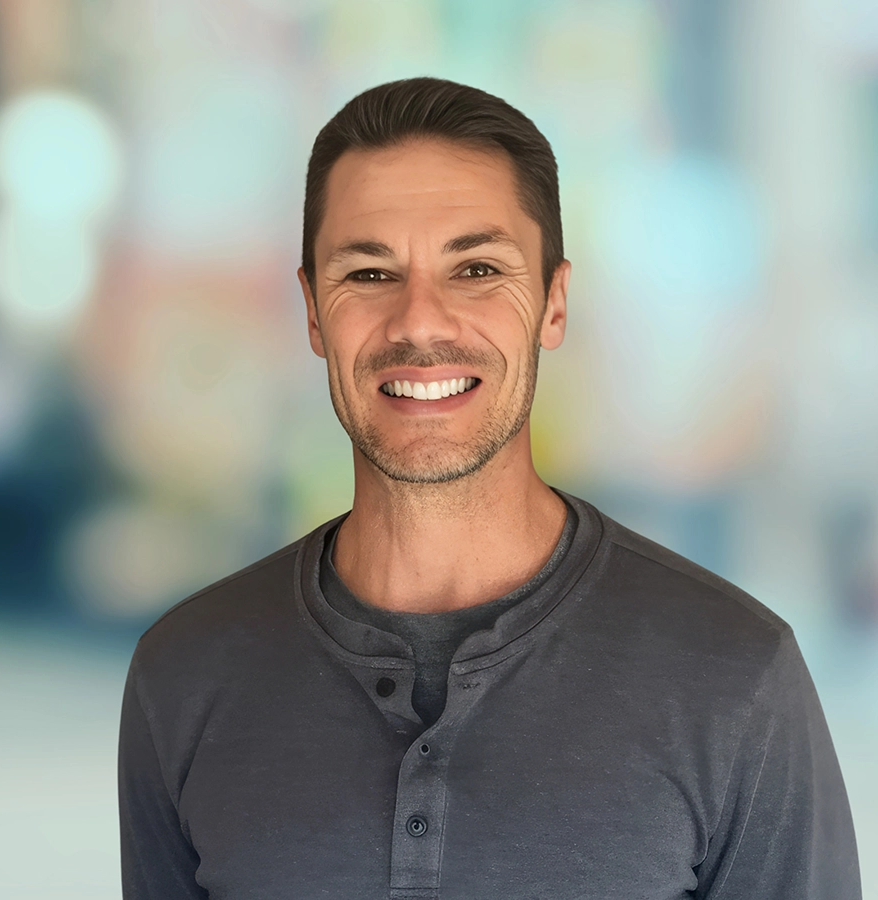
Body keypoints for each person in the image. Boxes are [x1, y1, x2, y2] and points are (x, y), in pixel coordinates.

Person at [118, 77, 861, 900]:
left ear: (553, 303)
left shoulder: (736, 677)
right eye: (370, 273)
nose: (419, 322)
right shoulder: (182, 674)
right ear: (314, 313)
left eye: (476, 268)